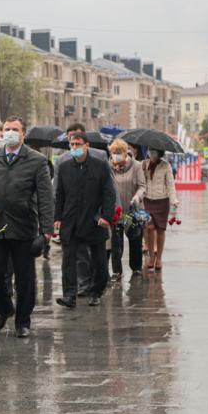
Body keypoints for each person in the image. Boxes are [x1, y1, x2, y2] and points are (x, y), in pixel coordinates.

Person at [0, 116, 54, 337]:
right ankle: (4, 309)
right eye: (7, 129)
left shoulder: (37, 161)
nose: (10, 133)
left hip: (24, 227)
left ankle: (23, 321)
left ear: (23, 134)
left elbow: (45, 196)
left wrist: (46, 230)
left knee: (25, 279)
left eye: (15, 129)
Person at [53, 123, 118, 297]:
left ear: (86, 145)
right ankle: (69, 295)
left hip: (94, 219)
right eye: (72, 144)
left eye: (78, 144)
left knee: (99, 262)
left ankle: (96, 292)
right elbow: (59, 193)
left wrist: (107, 216)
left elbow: (109, 192)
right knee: (68, 260)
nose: (74, 148)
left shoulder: (100, 164)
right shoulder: (64, 165)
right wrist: (57, 217)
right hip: (71, 219)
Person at [108, 139, 146, 279]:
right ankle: (117, 272)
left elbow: (142, 186)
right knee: (116, 244)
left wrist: (137, 197)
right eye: (113, 153)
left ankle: (136, 269)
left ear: (125, 153)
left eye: (119, 153)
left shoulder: (136, 166)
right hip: (116, 211)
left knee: (135, 240)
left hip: (132, 210)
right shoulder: (109, 166)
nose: (116, 155)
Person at [143, 149, 178, 271]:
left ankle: (159, 258)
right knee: (149, 228)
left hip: (162, 201)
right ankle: (151, 256)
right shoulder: (144, 164)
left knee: (160, 230)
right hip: (147, 200)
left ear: (159, 153)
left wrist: (174, 200)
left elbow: (170, 184)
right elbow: (141, 182)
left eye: (153, 152)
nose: (151, 154)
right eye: (149, 151)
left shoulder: (166, 166)